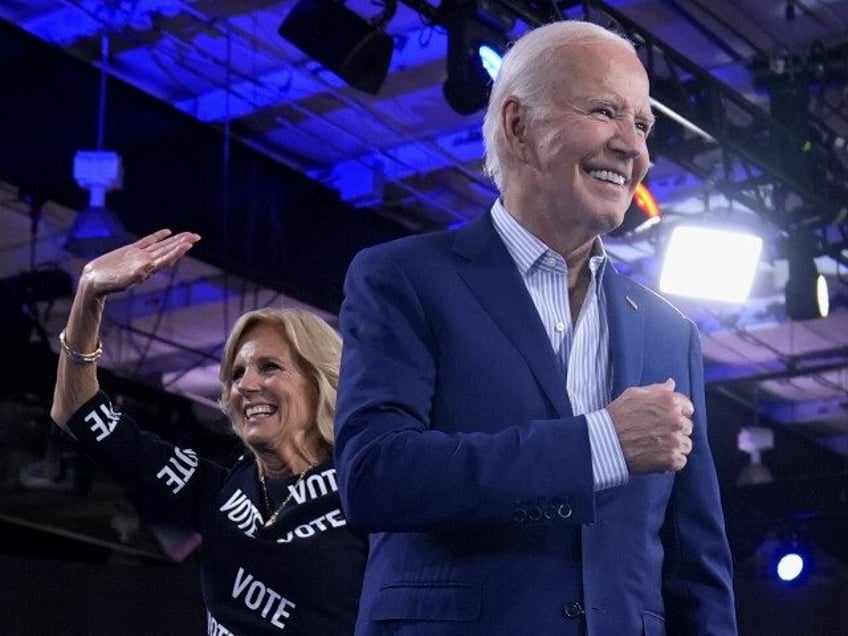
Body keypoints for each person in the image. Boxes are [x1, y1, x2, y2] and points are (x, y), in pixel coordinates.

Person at [334, 20, 737, 636]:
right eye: (606, 111)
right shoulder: (402, 277)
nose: (634, 147)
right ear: (519, 126)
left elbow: (695, 566)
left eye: (643, 124)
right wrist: (599, 444)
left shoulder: (669, 333)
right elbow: (376, 477)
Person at [51, 229, 367, 635]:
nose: (245, 386)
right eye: (236, 374)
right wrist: (89, 294)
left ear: (319, 380)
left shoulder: (364, 486)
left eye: (269, 367)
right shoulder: (216, 493)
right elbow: (77, 413)